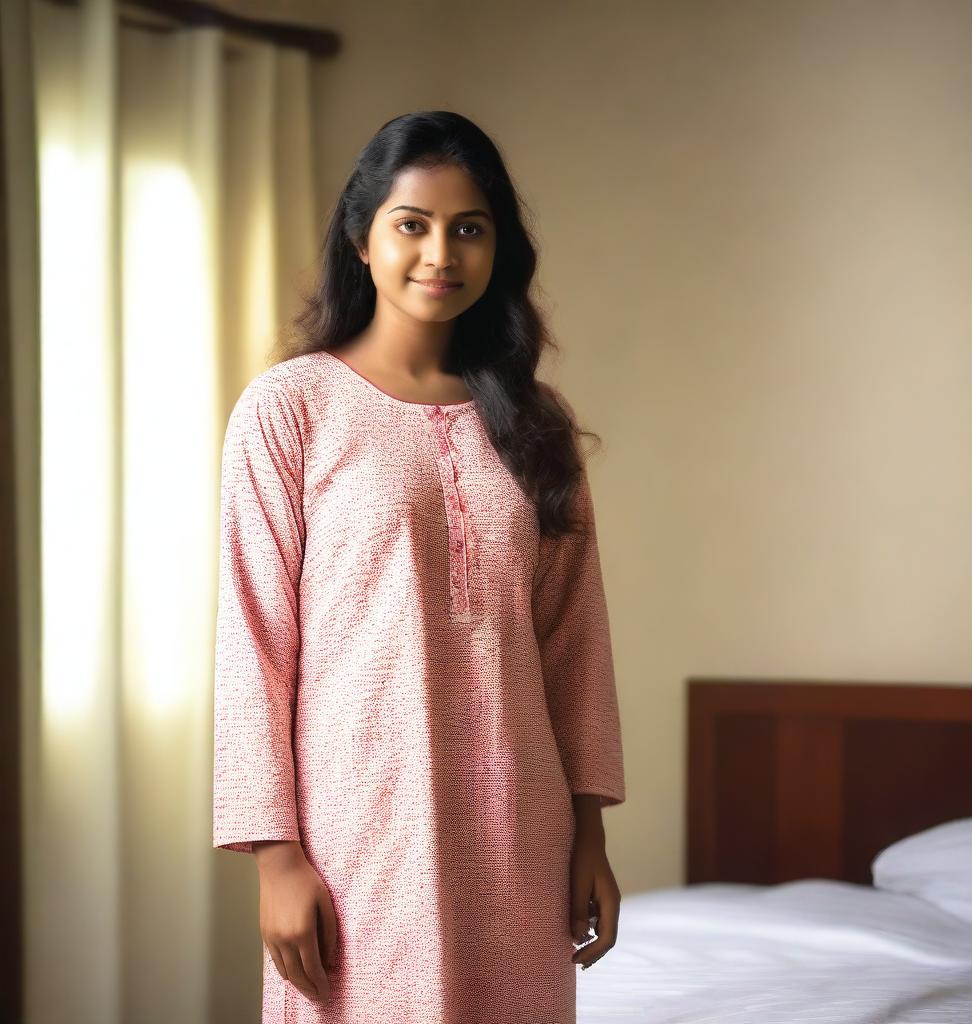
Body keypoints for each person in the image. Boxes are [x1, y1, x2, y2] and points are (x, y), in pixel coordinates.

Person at [212, 109, 626, 1024]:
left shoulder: (536, 421)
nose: (441, 252)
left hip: (519, 834)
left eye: (468, 228)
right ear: (363, 240)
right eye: (413, 224)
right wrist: (275, 854)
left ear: (498, 249)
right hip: (358, 833)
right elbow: (255, 641)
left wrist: (588, 834)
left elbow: (573, 642)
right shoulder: (292, 409)